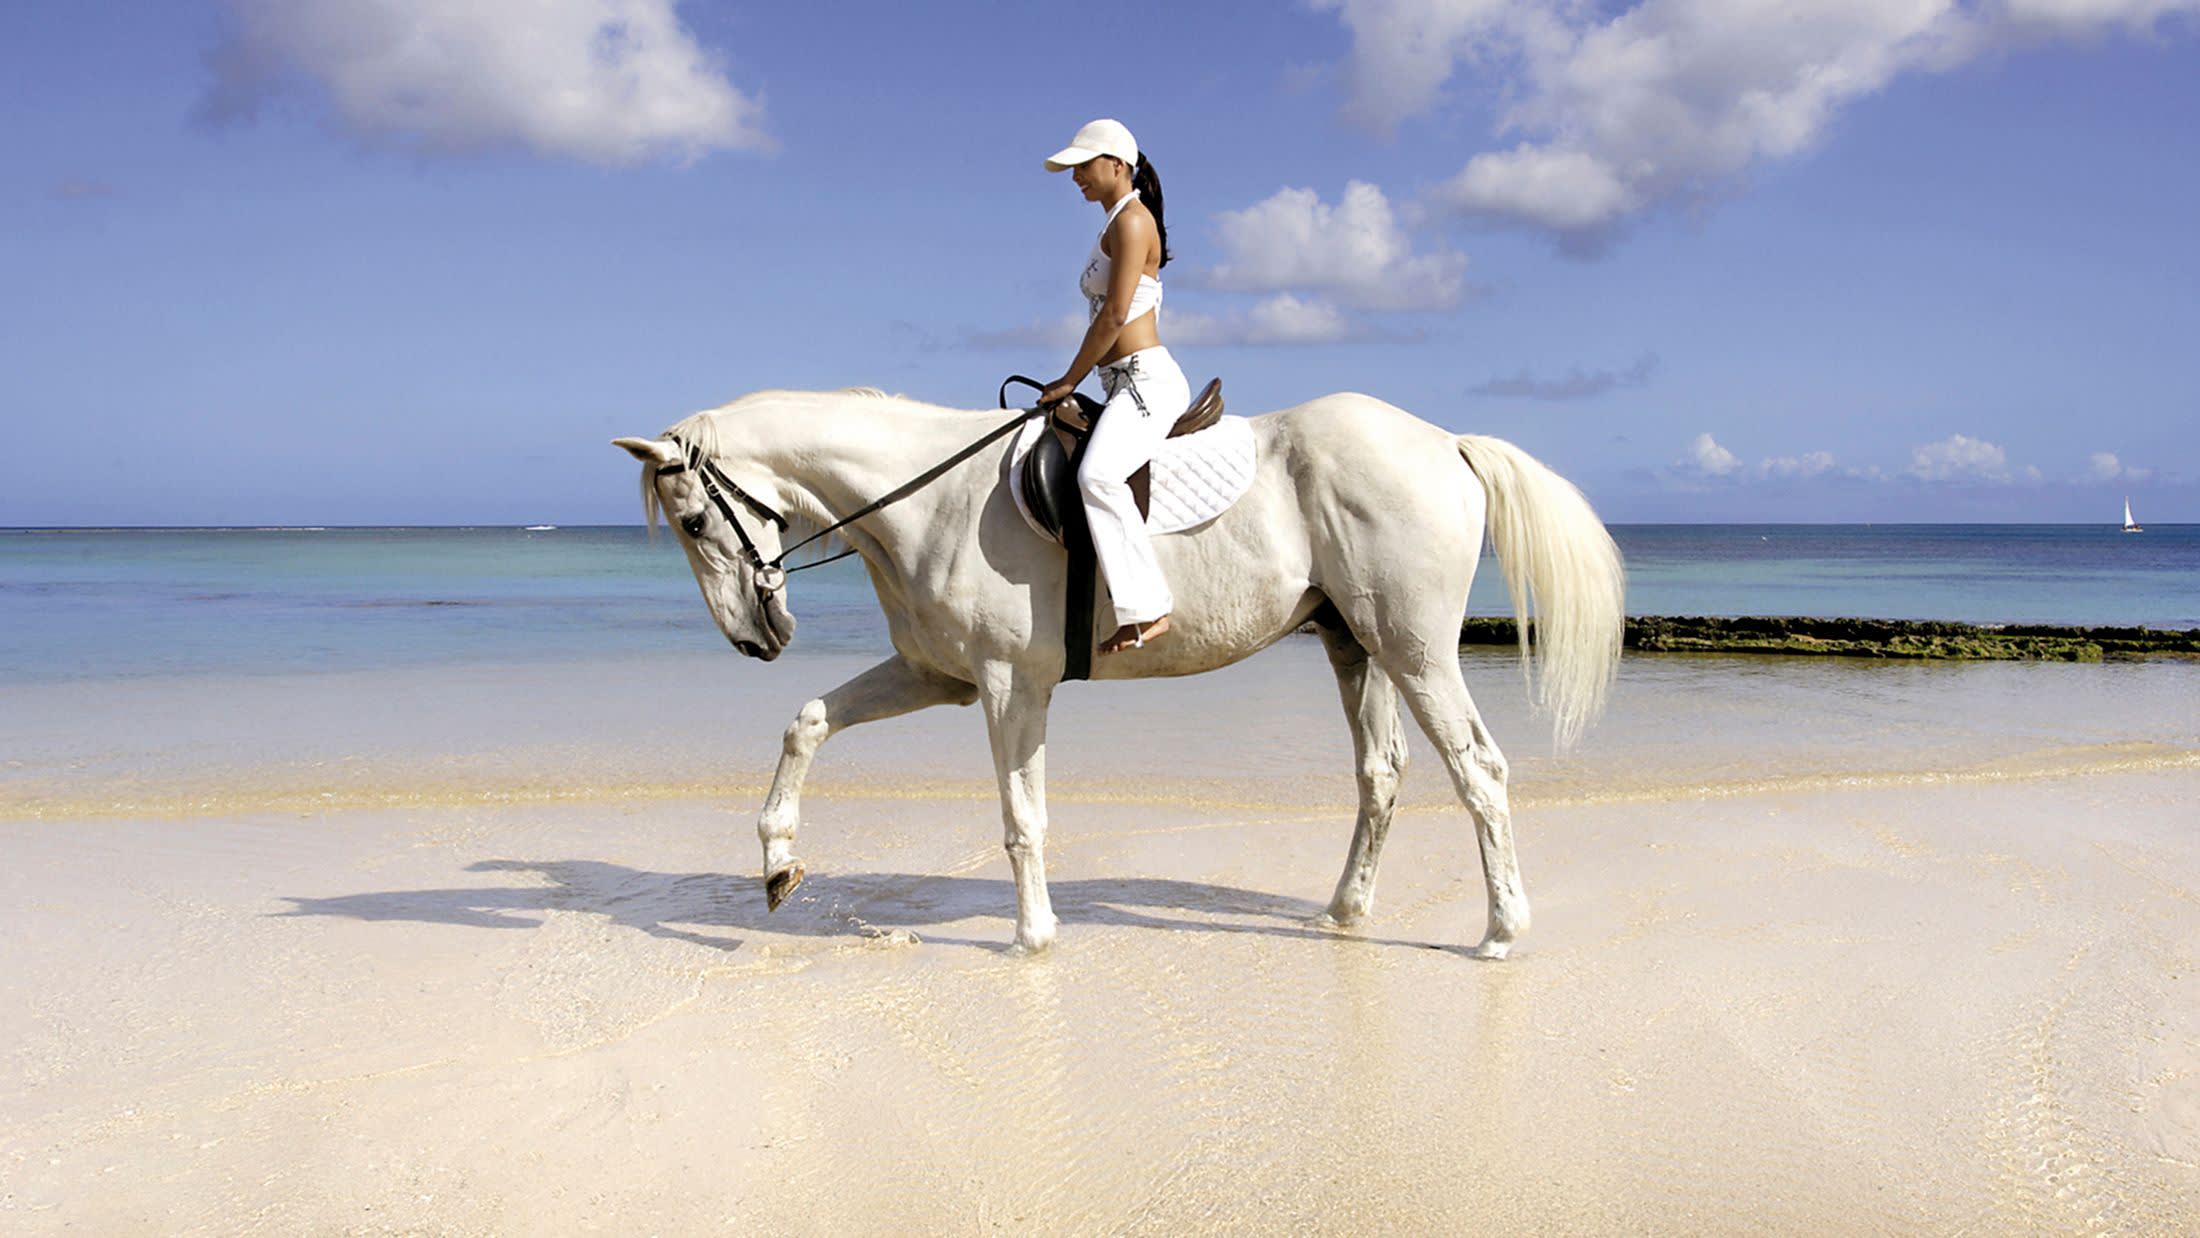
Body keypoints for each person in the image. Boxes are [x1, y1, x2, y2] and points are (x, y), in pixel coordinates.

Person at [1038, 118, 1187, 655]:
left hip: (1147, 382)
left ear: (1118, 165)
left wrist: (1068, 380)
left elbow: (1115, 316)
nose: (1076, 176)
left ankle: (1148, 607)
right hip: (1122, 382)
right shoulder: (1117, 221)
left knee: (1097, 475)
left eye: (1084, 165)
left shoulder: (1133, 221)